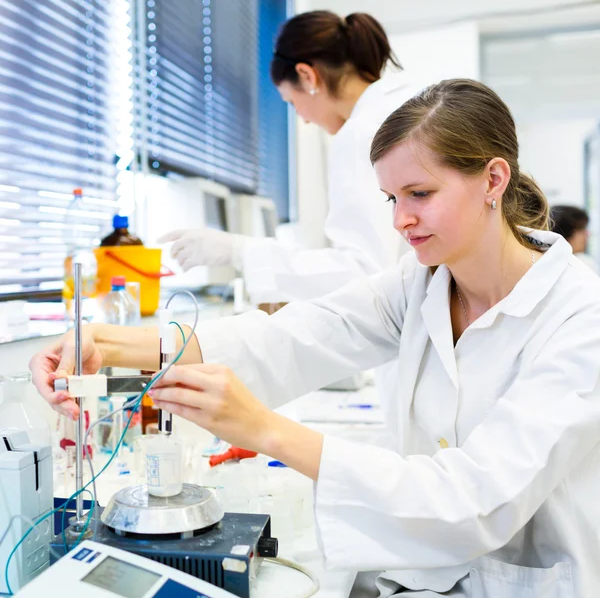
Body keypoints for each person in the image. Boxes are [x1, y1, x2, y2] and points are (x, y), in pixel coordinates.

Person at [31, 80, 600, 597]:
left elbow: (475, 500)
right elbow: (289, 338)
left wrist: (263, 429)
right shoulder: (421, 282)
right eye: (391, 199)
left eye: (419, 193)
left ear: (493, 180)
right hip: (429, 577)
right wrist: (104, 341)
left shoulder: (578, 317)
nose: (400, 220)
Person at [159, 10, 413, 303]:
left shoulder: (362, 133)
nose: (303, 119)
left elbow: (362, 273)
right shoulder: (403, 105)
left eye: (292, 102)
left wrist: (239, 251)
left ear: (307, 76)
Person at [550, 204, 598, 272]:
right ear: (566, 233)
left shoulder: (539, 261)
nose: (587, 234)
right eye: (582, 229)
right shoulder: (583, 263)